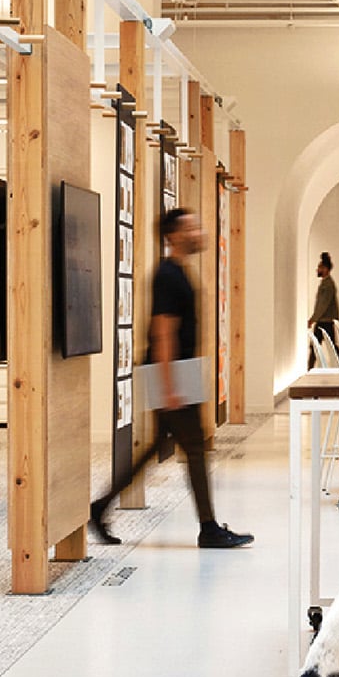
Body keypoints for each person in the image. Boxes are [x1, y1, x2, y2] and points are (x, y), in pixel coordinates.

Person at [90, 208, 253, 550]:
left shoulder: (177, 271)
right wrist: (169, 388)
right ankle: (208, 528)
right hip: (173, 376)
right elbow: (162, 331)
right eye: (192, 228)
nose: (199, 232)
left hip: (179, 375)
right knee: (195, 449)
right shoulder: (167, 275)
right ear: (175, 236)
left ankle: (101, 506)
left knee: (160, 447)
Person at [307, 251, 339, 367]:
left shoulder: (327, 285)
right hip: (325, 320)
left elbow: (323, 304)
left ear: (325, 269)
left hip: (324, 321)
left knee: (318, 346)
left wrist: (313, 319)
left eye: (320, 267)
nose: (317, 270)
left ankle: (309, 368)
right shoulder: (327, 283)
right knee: (328, 346)